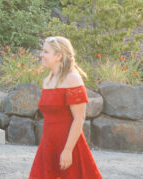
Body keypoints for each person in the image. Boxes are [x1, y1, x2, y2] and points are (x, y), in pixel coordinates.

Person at [29, 36, 101, 179]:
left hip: (69, 144)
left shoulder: (72, 79)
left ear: (58, 56)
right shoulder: (47, 81)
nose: (41, 55)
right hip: (48, 144)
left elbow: (79, 118)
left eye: (45, 52)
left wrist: (67, 150)